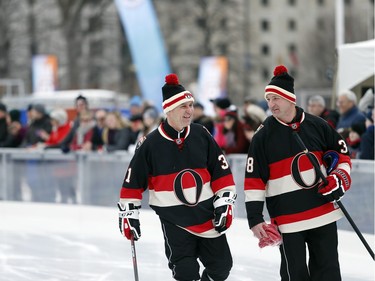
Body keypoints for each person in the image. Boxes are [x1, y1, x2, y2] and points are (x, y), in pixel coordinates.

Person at [118, 73, 237, 281]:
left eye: (191, 105)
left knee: (222, 267)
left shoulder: (201, 134)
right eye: (184, 106)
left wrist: (224, 202)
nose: (190, 110)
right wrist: (129, 214)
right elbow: (132, 181)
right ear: (169, 110)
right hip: (175, 221)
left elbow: (221, 171)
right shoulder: (150, 144)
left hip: (206, 216)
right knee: (186, 273)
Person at [244, 65, 352, 281]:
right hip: (287, 220)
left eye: (276, 98)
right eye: (269, 99)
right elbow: (254, 181)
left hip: (323, 213)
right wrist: (255, 219)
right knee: (295, 275)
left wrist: (339, 179)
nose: (271, 104)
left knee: (328, 271)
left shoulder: (319, 125)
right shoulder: (262, 137)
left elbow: (343, 156)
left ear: (290, 99)